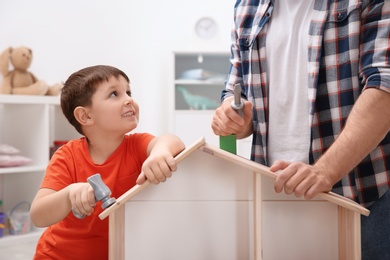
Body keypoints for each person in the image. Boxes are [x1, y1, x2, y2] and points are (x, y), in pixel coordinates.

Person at [211, 1, 390, 259]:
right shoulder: (247, 6)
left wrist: (325, 171)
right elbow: (236, 88)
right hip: (274, 198)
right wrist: (232, 115)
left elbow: (383, 86)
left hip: (363, 199)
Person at [30, 65, 185, 259]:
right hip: (57, 255)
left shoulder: (137, 145)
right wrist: (68, 195)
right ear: (86, 116)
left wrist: (160, 152)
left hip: (117, 253)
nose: (129, 99)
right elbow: (38, 215)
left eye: (128, 91)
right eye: (114, 94)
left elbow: (172, 141)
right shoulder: (66, 156)